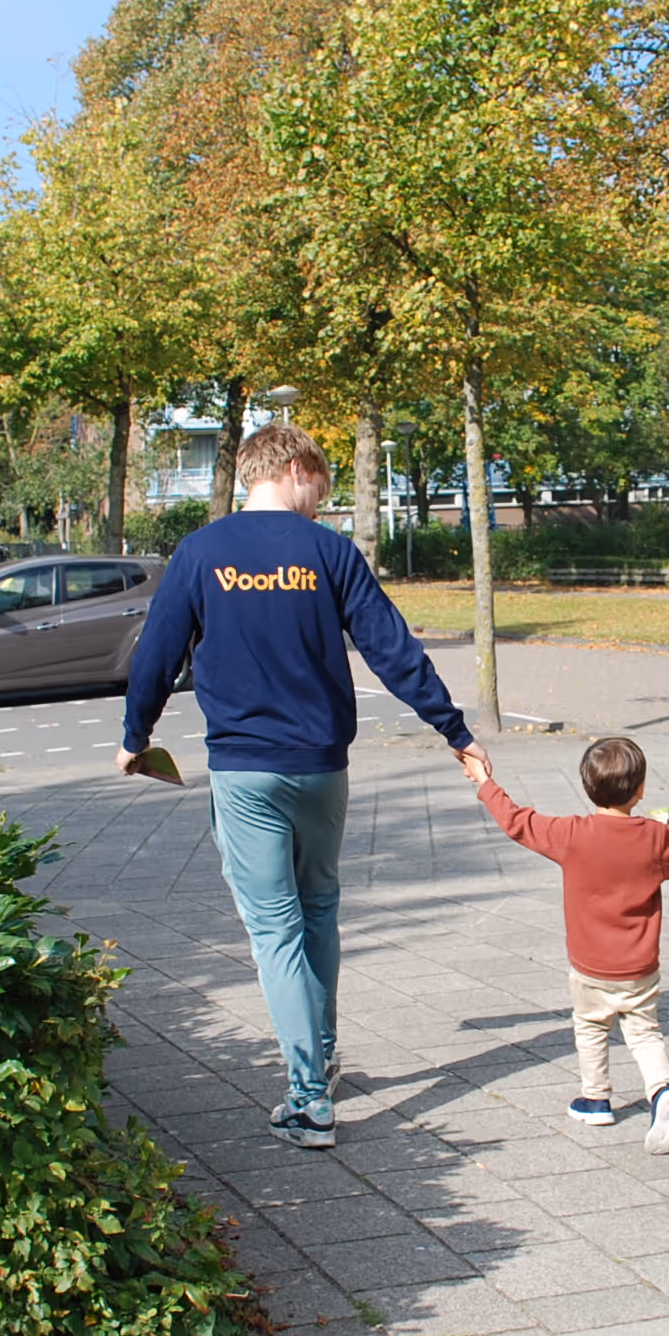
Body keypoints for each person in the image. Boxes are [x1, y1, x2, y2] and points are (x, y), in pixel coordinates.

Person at [118, 423, 486, 1150]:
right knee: (317, 910)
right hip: (321, 765)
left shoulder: (200, 553)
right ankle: (322, 1056)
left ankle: (310, 1097)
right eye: (320, 481)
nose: (324, 497)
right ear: (292, 469)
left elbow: (156, 652)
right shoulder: (329, 553)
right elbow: (391, 648)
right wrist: (454, 731)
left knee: (275, 929)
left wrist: (136, 737)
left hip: (246, 769)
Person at [471, 734, 669, 1153]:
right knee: (645, 1032)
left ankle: (596, 1099)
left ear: (586, 786)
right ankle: (661, 1091)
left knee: (591, 1027)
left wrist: (484, 781)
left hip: (589, 964)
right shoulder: (655, 838)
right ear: (640, 790)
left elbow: (517, 822)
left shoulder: (571, 833)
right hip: (640, 965)